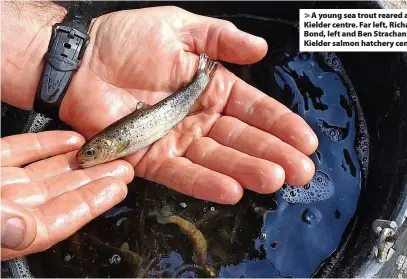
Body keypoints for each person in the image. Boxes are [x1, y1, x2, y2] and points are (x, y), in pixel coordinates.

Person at [1, 2, 318, 261]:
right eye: (91, 153)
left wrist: (55, 47)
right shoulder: (112, 142)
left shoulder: (116, 141)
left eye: (92, 152)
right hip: (171, 112)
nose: (88, 156)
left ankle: (202, 78)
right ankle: (201, 80)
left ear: (109, 146)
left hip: (174, 107)